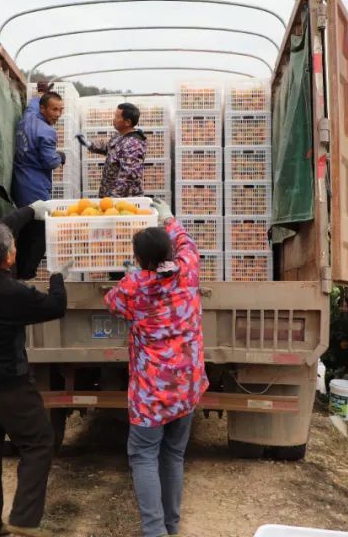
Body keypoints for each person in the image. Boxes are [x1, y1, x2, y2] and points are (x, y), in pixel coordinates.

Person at [0, 200, 71, 537]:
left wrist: (30, 211)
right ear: (9, 257)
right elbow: (56, 306)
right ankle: (24, 519)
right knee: (39, 441)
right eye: (14, 247)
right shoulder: (13, 293)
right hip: (7, 385)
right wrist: (57, 276)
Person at [104, 198, 208, 537]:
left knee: (144, 455)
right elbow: (187, 244)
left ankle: (154, 532)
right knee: (174, 455)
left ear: (139, 260)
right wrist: (169, 218)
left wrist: (132, 274)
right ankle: (170, 527)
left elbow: (112, 303)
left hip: (152, 393)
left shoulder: (135, 286)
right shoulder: (189, 269)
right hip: (187, 388)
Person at [11, 87, 67, 279]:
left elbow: (33, 104)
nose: (58, 114)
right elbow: (50, 162)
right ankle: (27, 273)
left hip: (20, 180)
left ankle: (19, 270)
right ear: (44, 109)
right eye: (54, 110)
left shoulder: (29, 116)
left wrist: (41, 93)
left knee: (25, 226)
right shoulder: (47, 132)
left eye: (61, 110)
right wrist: (60, 156)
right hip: (34, 185)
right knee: (40, 231)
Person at [76, 102, 147, 198]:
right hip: (110, 197)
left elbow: (128, 175)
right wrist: (88, 144)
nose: (114, 119)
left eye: (117, 117)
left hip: (124, 201)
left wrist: (113, 198)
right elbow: (108, 147)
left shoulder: (133, 144)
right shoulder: (120, 136)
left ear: (127, 122)